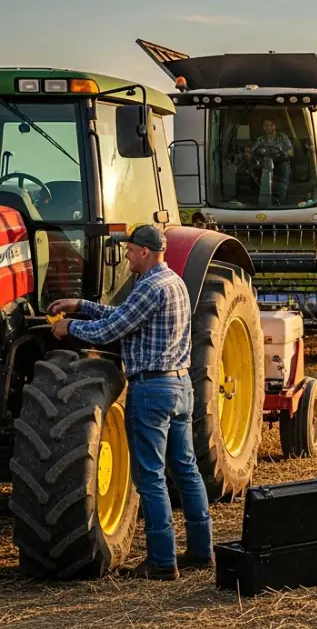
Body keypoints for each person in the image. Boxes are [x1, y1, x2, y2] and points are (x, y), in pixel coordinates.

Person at [49, 224, 212, 581]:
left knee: (149, 477)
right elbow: (121, 315)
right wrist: (81, 306)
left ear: (144, 252)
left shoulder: (150, 287)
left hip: (152, 390)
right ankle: (202, 551)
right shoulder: (173, 282)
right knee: (186, 469)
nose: (126, 255)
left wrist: (69, 327)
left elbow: (110, 331)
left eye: (130, 250)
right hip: (180, 386)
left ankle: (161, 561)